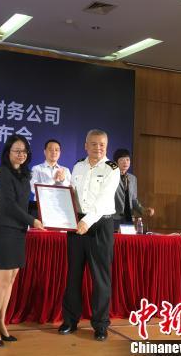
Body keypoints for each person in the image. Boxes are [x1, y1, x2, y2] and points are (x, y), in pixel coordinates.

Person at [59, 129, 120, 341]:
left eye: (102, 144)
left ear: (106, 146)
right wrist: (60, 187)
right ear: (86, 146)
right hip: (77, 224)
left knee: (101, 278)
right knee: (73, 275)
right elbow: (72, 194)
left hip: (100, 225)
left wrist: (87, 221)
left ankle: (100, 325)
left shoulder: (112, 169)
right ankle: (70, 320)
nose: (98, 148)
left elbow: (104, 200)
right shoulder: (78, 166)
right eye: (93, 144)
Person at [0, 135, 46, 347]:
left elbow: (24, 203)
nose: (21, 154)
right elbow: (9, 204)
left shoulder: (24, 173)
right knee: (3, 279)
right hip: (5, 230)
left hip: (19, 230)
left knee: (11, 279)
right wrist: (33, 220)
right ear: (8, 152)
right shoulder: (3, 172)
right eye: (17, 151)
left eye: (24, 151)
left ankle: (2, 322)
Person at [112, 148, 155, 232]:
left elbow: (133, 199)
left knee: (128, 240)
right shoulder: (110, 177)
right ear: (116, 162)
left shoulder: (133, 178)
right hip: (113, 218)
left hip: (129, 218)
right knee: (115, 240)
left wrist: (143, 210)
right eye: (122, 160)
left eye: (127, 160)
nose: (125, 162)